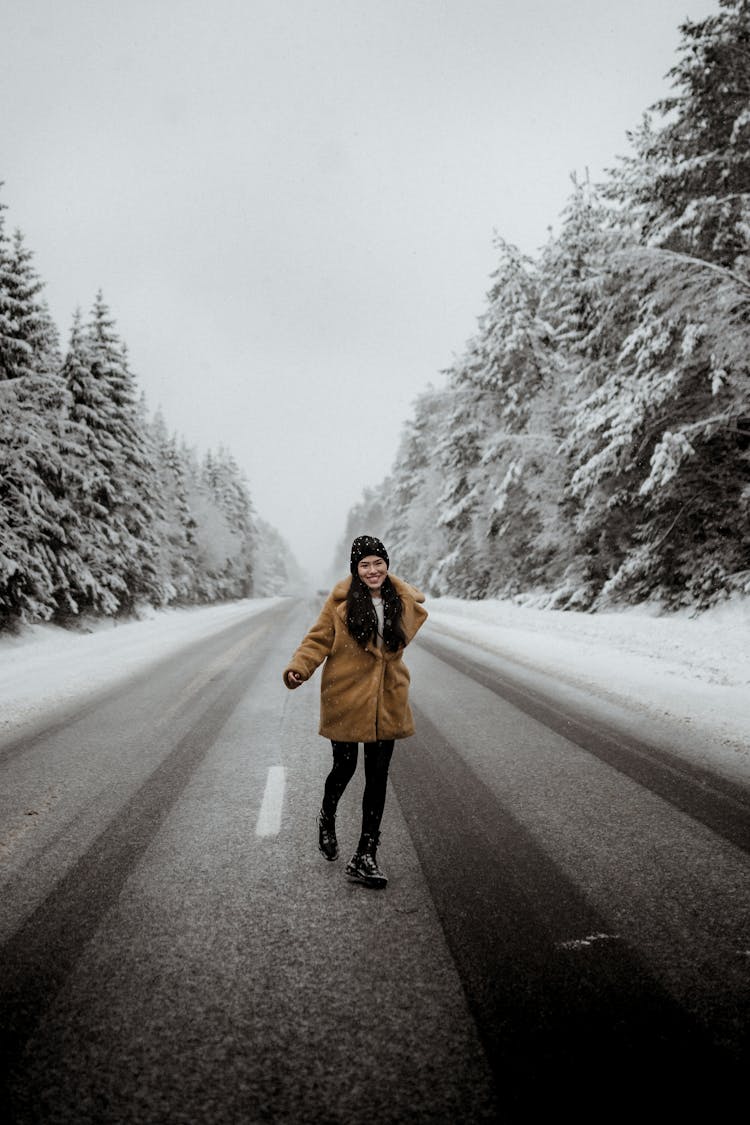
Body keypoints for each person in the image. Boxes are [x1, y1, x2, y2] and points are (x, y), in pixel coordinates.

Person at [283, 535, 428, 888]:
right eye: (364, 564)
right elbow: (317, 640)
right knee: (344, 768)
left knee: (378, 777)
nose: (373, 570)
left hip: (386, 699)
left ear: (387, 565)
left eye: (378, 562)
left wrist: (399, 589)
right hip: (346, 697)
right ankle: (327, 815)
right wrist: (299, 667)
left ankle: (366, 854)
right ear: (355, 569)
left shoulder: (401, 601)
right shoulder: (340, 604)